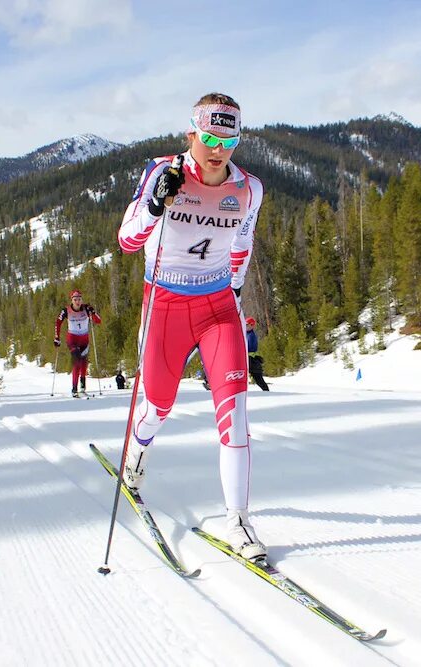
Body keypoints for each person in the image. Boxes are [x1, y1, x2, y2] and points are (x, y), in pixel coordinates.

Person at [118, 92, 266, 560]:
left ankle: (239, 523)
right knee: (157, 406)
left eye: (228, 138)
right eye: (208, 136)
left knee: (235, 415)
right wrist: (154, 206)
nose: (217, 147)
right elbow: (127, 240)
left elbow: (242, 245)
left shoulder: (248, 188)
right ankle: (136, 456)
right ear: (191, 133)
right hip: (164, 304)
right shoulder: (163, 172)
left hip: (218, 306)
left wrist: (236, 291)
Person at [54, 289, 102, 398]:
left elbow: (98, 321)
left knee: (84, 364)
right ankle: (74, 389)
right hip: (72, 340)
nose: (77, 302)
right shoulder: (66, 310)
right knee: (76, 361)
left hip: (84, 340)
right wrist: (56, 337)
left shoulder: (86, 308)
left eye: (79, 299)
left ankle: (83, 386)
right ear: (71, 300)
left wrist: (93, 313)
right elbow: (58, 322)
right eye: (75, 299)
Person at [245, 317, 269, 391]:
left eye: (247, 325)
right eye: (245, 324)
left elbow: (250, 348)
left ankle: (267, 392)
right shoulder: (246, 334)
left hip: (252, 361)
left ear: (252, 325)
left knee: (258, 379)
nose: (245, 326)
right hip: (247, 359)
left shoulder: (251, 336)